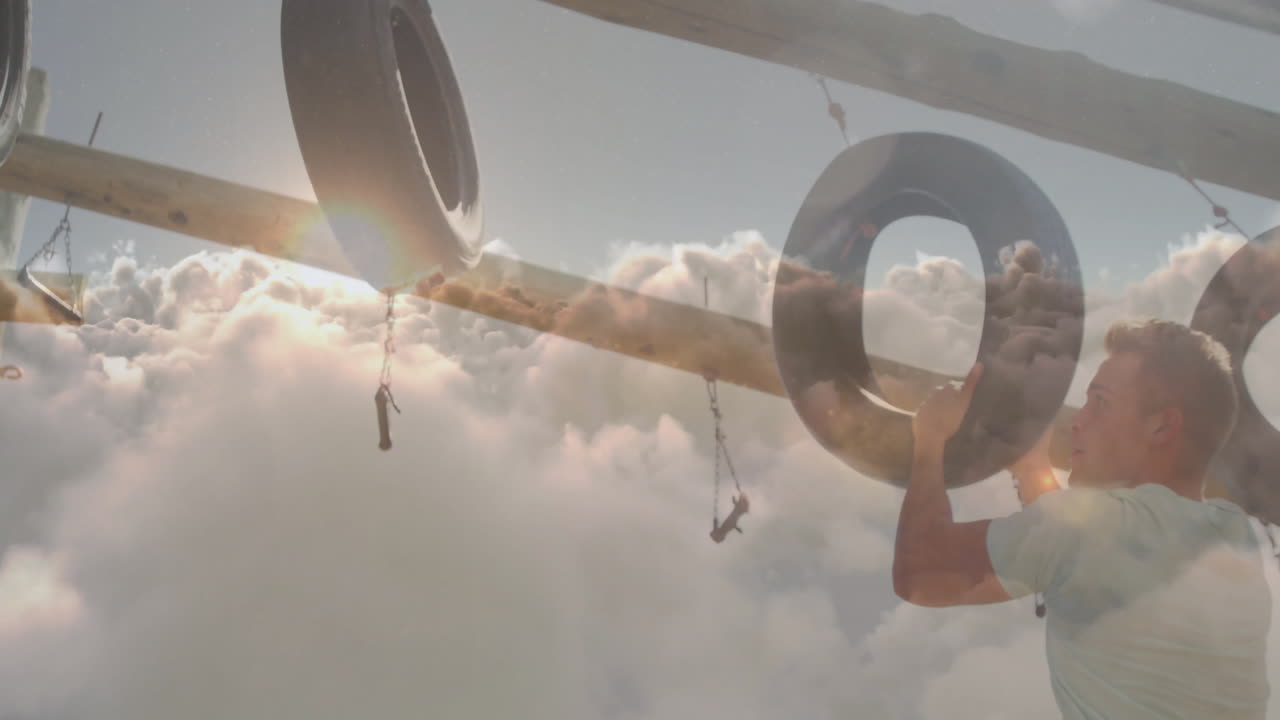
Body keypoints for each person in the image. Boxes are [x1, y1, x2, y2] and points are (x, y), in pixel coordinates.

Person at [893, 317, 1271, 719]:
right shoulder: (1236, 534)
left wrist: (930, 438)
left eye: (1100, 402)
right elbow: (1093, 553)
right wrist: (1030, 470)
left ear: (1162, 424)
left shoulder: (1093, 534)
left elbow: (919, 572)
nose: (1077, 419)